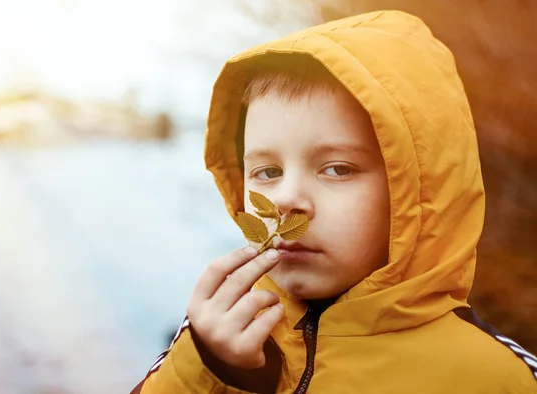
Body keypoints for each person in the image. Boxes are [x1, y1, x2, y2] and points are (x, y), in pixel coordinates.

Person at [131, 10, 537, 393]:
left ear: (419, 192)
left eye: (337, 169)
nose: (287, 198)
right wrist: (214, 371)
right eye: (268, 172)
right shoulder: (221, 329)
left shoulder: (494, 377)